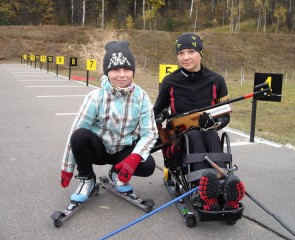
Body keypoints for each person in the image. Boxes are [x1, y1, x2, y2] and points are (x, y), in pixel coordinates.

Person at [153, 33, 245, 211]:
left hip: (208, 134)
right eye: (181, 53)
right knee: (194, 135)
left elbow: (225, 115)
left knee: (210, 134)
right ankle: (200, 191)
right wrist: (159, 119)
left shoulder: (216, 80)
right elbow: (156, 113)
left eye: (191, 51)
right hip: (178, 138)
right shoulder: (169, 81)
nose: (185, 57)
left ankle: (223, 188)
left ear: (201, 53)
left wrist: (215, 124)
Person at [60, 40, 158, 203]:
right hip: (99, 151)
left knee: (148, 165)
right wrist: (67, 169)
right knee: (79, 136)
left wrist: (134, 158)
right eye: (115, 69)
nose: (122, 75)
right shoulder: (95, 97)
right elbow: (76, 132)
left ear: (133, 71)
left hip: (123, 151)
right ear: (107, 72)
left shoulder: (142, 97)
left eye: (127, 69)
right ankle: (87, 179)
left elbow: (150, 133)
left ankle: (116, 174)